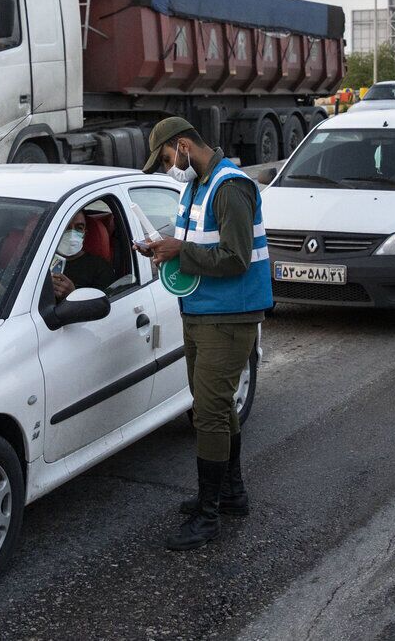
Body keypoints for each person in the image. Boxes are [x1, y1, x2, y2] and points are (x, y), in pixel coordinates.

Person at [140, 117, 272, 551]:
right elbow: (197, 241)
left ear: (183, 146)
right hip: (201, 311)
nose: (167, 167)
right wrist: (162, 246)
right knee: (212, 405)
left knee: (210, 413)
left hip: (228, 316)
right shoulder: (198, 184)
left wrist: (181, 251)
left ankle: (208, 515)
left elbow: (235, 258)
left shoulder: (229, 186)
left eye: (165, 158)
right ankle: (230, 494)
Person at [51, 209, 114, 299]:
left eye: (79, 228)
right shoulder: (39, 260)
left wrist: (73, 295)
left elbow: (101, 306)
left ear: (84, 233)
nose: (72, 233)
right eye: (66, 227)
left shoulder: (99, 268)